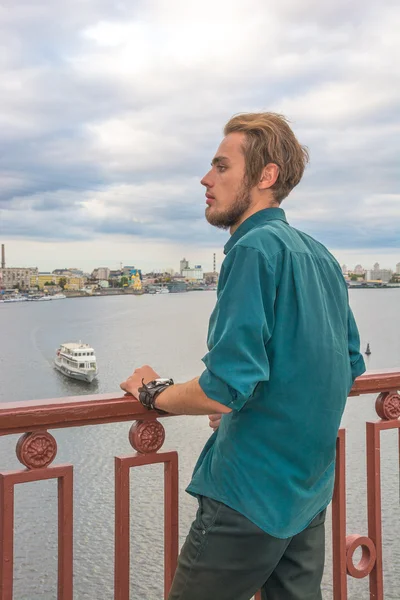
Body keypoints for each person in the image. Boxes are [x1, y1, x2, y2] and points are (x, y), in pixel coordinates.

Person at [120, 112, 366, 600]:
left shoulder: (252, 249)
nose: (205, 179)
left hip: (249, 493)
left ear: (265, 176)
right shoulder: (319, 255)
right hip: (307, 488)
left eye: (221, 167)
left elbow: (226, 386)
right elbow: (349, 366)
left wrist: (153, 392)